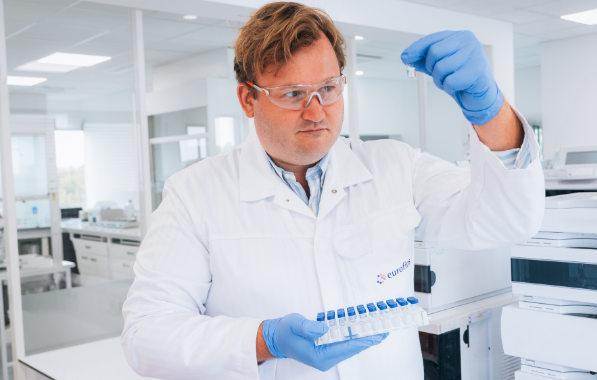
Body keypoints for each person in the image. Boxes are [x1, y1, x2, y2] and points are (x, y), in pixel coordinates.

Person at [120, 2, 544, 378]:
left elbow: (506, 221)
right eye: (293, 94)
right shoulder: (194, 194)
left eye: (327, 88)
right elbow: (146, 336)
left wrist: (490, 112)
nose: (316, 112)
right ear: (248, 99)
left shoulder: (394, 166)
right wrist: (265, 340)